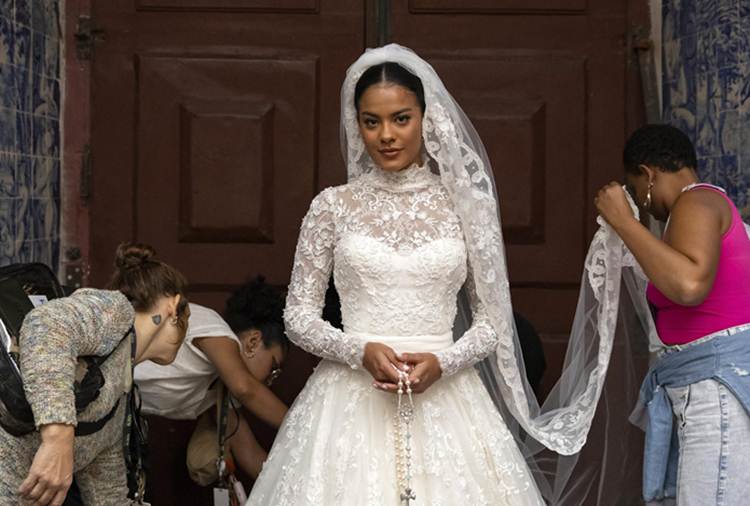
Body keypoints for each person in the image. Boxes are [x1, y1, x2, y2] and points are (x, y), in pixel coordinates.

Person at [246, 45, 624, 505]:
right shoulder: (332, 207)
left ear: (427, 119)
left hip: (448, 396)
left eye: (401, 119)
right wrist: (358, 351)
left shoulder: (465, 206)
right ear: (356, 125)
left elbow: (492, 321)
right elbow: (298, 317)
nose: (386, 135)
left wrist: (443, 363)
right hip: (348, 397)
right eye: (371, 122)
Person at [595, 124, 750, 505]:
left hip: (715, 388)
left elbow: (689, 286)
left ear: (647, 174)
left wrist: (624, 222)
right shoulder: (695, 208)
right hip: (705, 384)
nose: (641, 203)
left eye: (636, 191)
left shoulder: (695, 202)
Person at [0, 242, 189, 506]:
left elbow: (108, 495)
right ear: (174, 305)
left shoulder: (118, 396)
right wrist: (58, 439)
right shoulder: (116, 310)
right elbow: (45, 325)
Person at [135, 276, 288, 479]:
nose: (271, 380)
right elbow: (246, 389)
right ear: (253, 342)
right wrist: (308, 424)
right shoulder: (214, 329)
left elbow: (249, 453)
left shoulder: (221, 390)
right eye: (273, 368)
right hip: (94, 374)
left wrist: (296, 487)